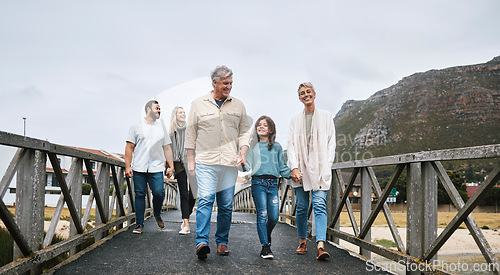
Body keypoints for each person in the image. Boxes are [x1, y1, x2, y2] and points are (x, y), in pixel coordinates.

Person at [185, 65, 251, 260]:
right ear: (214, 82)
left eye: (231, 83)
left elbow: (244, 132)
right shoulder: (198, 104)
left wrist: (243, 153)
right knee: (205, 199)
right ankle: (202, 242)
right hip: (206, 162)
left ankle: (222, 242)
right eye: (225, 83)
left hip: (230, 164)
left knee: (226, 205)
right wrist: (190, 161)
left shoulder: (238, 105)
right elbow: (190, 133)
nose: (229, 86)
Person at [287, 82, 336, 261]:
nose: (306, 95)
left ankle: (321, 246)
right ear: (299, 97)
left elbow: (332, 143)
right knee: (301, 206)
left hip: (320, 168)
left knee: (319, 205)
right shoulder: (294, 120)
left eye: (308, 92)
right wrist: (294, 166)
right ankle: (302, 241)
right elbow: (291, 144)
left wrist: (327, 165)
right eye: (302, 93)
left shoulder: (325, 116)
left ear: (314, 94)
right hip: (300, 169)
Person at [125, 100, 174, 234]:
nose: (159, 110)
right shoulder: (136, 127)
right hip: (139, 167)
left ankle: (157, 213)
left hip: (156, 167)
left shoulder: (162, 128)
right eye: (156, 108)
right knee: (139, 195)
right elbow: (129, 147)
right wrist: (127, 166)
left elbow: (167, 148)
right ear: (148, 109)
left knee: (159, 193)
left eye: (160, 108)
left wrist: (171, 166)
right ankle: (139, 224)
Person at [246, 115, 291, 259]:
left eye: (265, 125)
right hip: (258, 183)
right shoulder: (253, 147)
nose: (261, 127)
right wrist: (240, 163)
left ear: (271, 129)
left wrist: (293, 174)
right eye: (259, 125)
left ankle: (266, 235)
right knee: (262, 214)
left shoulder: (277, 147)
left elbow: (282, 167)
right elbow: (247, 166)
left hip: (272, 185)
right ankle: (265, 247)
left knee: (274, 217)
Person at [169, 106, 195, 235]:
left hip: (191, 161)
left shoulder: (191, 129)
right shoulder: (171, 132)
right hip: (178, 163)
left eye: (184, 112)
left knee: (193, 194)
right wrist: (169, 166)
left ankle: (187, 216)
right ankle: (185, 224)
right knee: (184, 193)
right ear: (175, 115)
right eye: (181, 112)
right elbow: (168, 150)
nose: (183, 114)